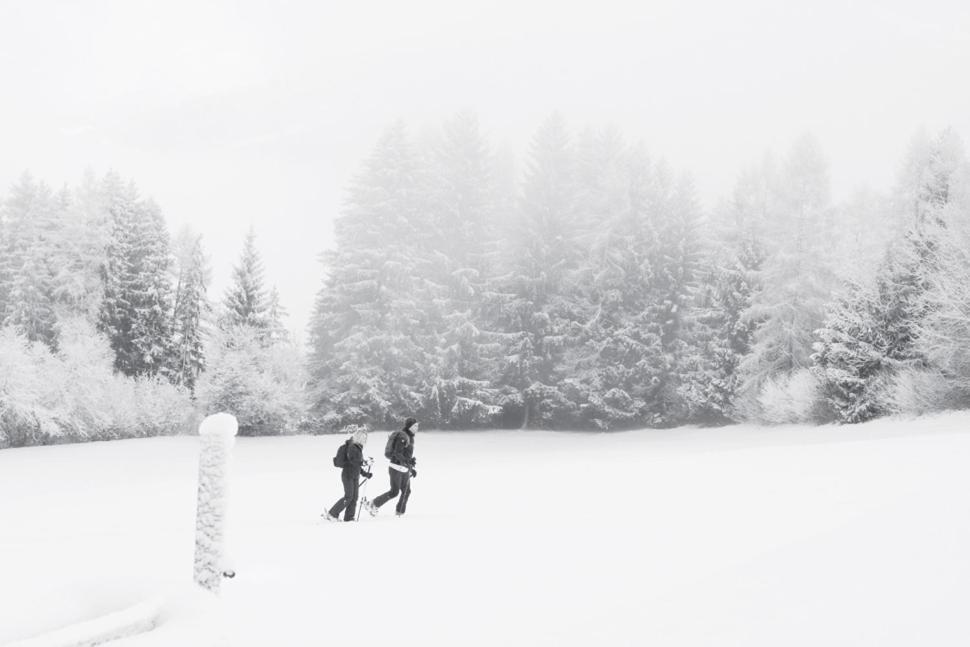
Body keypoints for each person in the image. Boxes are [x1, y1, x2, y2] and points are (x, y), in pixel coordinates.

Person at [366, 417, 418, 517]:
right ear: (409, 426)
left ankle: (400, 513)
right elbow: (397, 453)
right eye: (415, 426)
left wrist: (411, 467)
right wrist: (408, 461)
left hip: (404, 468)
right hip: (396, 467)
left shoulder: (410, 437)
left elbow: (405, 455)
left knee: (407, 491)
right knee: (394, 492)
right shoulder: (402, 436)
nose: (417, 427)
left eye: (417, 425)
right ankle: (372, 504)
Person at [324, 427, 372, 522]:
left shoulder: (358, 448)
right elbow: (353, 461)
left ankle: (349, 518)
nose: (364, 440)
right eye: (363, 437)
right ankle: (332, 514)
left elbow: (356, 464)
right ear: (358, 437)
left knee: (354, 498)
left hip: (355, 475)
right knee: (349, 497)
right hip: (348, 475)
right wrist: (364, 463)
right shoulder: (352, 447)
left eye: (365, 438)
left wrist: (365, 474)